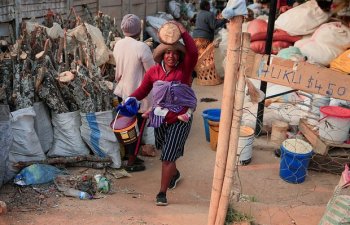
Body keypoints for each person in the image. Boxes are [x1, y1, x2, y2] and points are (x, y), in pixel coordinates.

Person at [129, 21, 198, 206]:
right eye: (168, 52)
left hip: (180, 119)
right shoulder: (154, 72)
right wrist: (130, 99)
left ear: (179, 57)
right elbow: (142, 91)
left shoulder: (184, 71)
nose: (171, 56)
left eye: (175, 53)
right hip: (159, 118)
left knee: (167, 157)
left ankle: (162, 193)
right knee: (166, 151)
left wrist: (182, 31)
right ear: (162, 55)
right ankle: (174, 174)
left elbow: (193, 52)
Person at [113, 14, 155, 172]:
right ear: (139, 30)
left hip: (122, 92)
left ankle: (127, 155)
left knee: (126, 127)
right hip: (137, 95)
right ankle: (131, 162)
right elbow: (151, 72)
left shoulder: (118, 44)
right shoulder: (142, 47)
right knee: (136, 127)